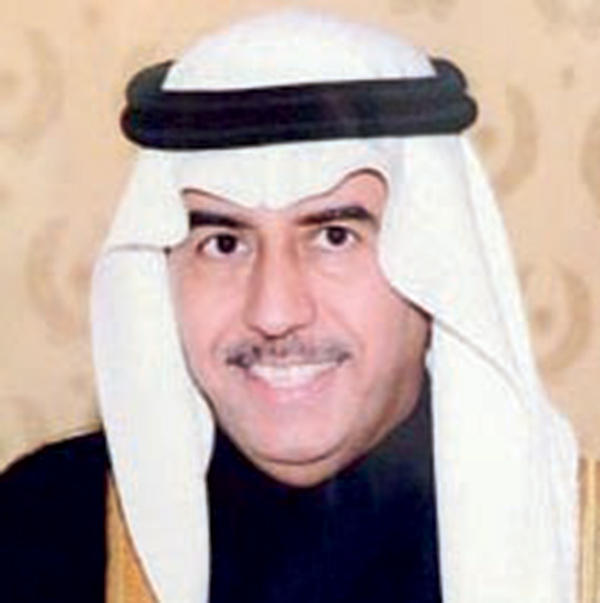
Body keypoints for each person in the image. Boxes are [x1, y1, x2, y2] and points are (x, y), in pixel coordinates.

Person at [1, 10, 583, 603]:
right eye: (223, 244)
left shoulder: (578, 544)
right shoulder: (46, 530)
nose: (273, 312)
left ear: (436, 266)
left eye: (334, 236)